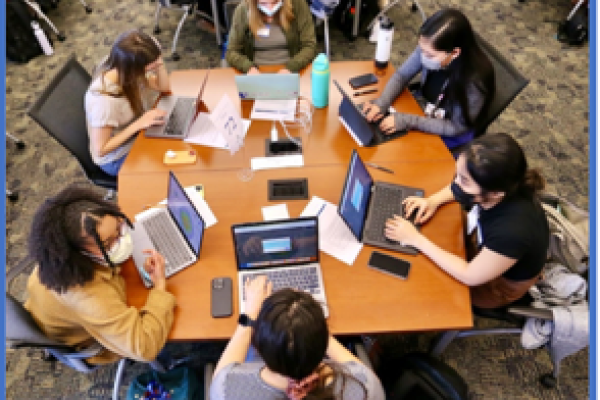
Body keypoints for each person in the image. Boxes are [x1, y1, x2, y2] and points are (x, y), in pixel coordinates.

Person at [384, 133, 549, 309]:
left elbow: (469, 275)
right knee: (435, 235)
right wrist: (432, 200)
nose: (455, 183)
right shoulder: (504, 186)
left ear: (495, 193)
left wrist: (416, 239)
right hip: (482, 241)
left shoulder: (511, 231)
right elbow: (461, 186)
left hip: (498, 284)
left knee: (424, 285)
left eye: (464, 180)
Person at [24, 184, 176, 364]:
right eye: (108, 243)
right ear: (78, 253)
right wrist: (159, 287)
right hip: (88, 341)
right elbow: (145, 348)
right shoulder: (87, 296)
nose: (123, 240)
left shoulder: (61, 259)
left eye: (119, 228)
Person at [210, 277, 385, 399]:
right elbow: (359, 369)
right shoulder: (364, 386)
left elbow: (220, 375)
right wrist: (309, 326)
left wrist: (249, 314)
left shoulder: (228, 387)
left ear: (259, 349)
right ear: (322, 343)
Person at [362, 8, 495, 150]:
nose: (423, 56)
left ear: (454, 53)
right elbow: (401, 75)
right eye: (421, 49)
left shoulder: (474, 82)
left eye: (430, 55)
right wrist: (382, 103)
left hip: (451, 127)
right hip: (427, 107)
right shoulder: (429, 46)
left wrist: (408, 121)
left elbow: (456, 127)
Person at [85, 29, 171, 176]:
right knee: (169, 166)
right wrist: (139, 123)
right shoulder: (104, 101)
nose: (151, 70)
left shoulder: (123, 65)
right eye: (149, 67)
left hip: (137, 133)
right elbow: (101, 149)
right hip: (116, 157)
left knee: (177, 144)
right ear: (134, 69)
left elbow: (163, 88)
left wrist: (159, 62)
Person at [226, 0, 317, 74]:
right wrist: (249, 67)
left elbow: (309, 46)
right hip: (256, 71)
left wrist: (291, 67)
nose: (270, 8)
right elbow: (232, 52)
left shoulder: (298, 5)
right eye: (263, 3)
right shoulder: (243, 10)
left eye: (275, 2)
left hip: (293, 68)